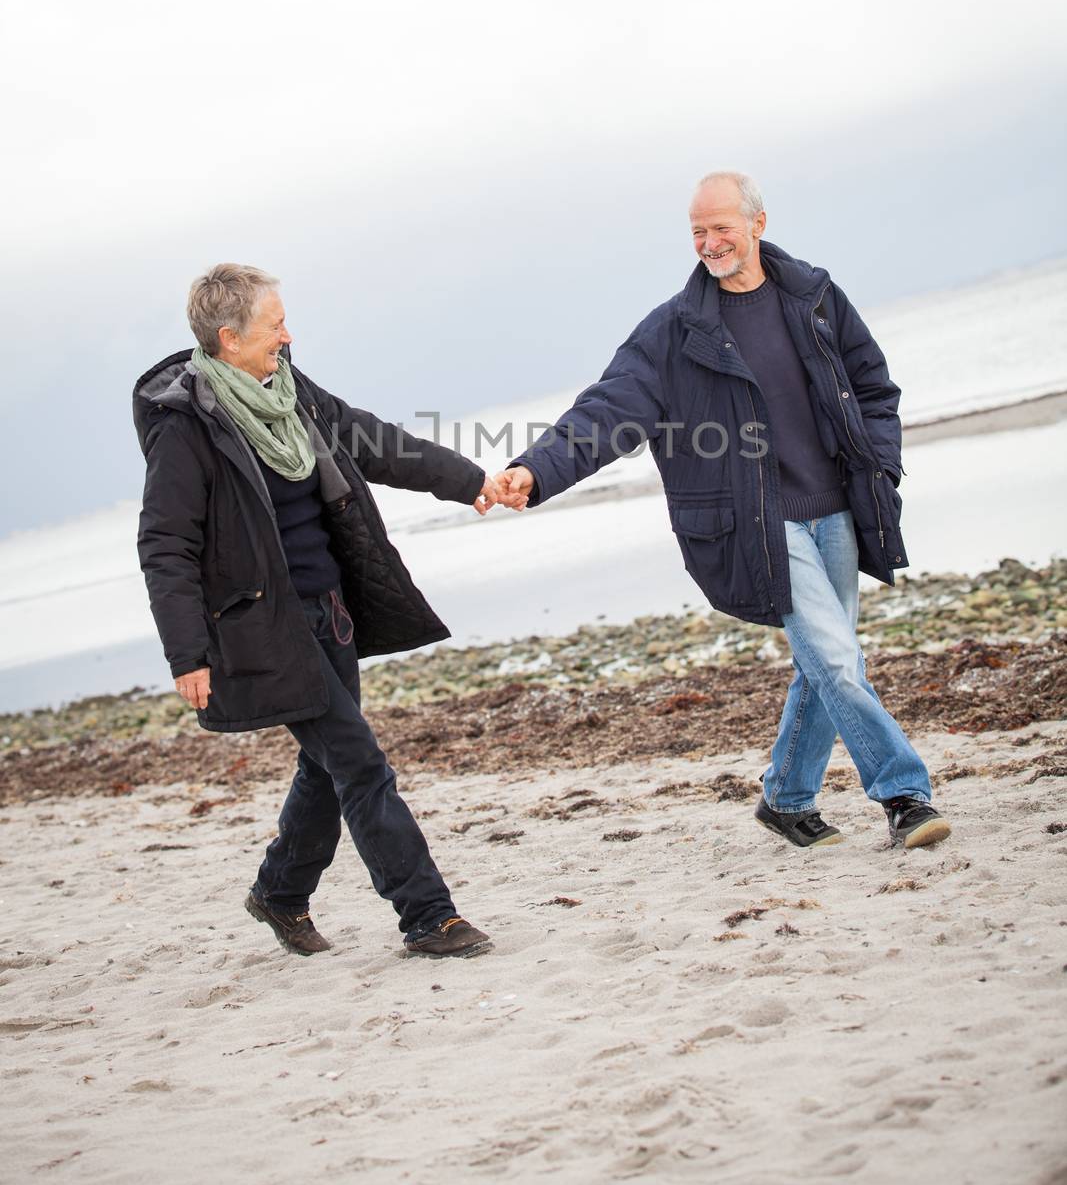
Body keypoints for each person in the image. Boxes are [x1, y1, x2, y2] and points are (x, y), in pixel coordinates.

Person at [494, 173, 951, 853]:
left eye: (721, 229)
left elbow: (873, 387)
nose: (708, 244)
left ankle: (785, 800)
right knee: (834, 657)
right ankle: (903, 794)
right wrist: (534, 469)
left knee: (824, 664)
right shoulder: (676, 330)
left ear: (757, 224)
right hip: (759, 525)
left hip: (836, 512)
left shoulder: (814, 296)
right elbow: (606, 409)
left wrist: (878, 464)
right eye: (697, 233)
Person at [134, 263, 497, 959]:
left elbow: (375, 439)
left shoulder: (292, 393)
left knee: (325, 766)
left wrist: (471, 480)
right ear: (229, 337)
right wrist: (187, 653)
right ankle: (428, 916)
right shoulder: (187, 427)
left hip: (330, 610)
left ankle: (279, 892)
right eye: (274, 327)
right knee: (359, 764)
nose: (287, 336)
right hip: (264, 632)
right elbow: (166, 545)